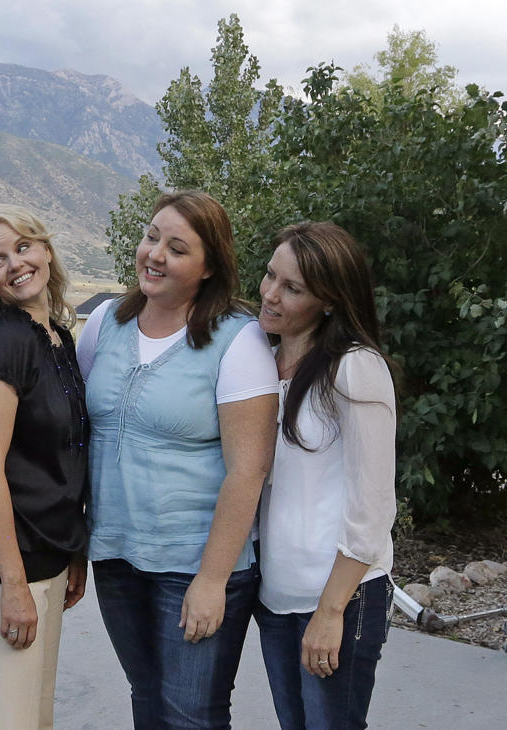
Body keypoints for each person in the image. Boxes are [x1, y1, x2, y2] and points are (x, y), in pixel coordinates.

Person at [76, 190, 278, 729]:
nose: (155, 254)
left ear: (209, 267)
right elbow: (80, 434)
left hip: (194, 565)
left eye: (177, 248)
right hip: (117, 555)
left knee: (192, 714)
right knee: (148, 699)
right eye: (151, 237)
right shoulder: (104, 324)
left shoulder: (238, 341)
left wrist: (212, 580)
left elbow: (249, 470)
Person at [0, 204, 88, 730]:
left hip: (45, 553)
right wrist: (13, 583)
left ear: (46, 250)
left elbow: (58, 458)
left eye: (22, 248)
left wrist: (72, 549)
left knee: (34, 721)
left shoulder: (55, 337)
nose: (15, 264)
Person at [254, 221, 397, 730]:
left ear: (330, 301)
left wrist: (331, 611)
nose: (270, 294)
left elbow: (372, 506)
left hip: (339, 601)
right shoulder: (259, 362)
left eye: (291, 288)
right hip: (275, 600)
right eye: (270, 276)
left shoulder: (354, 369)